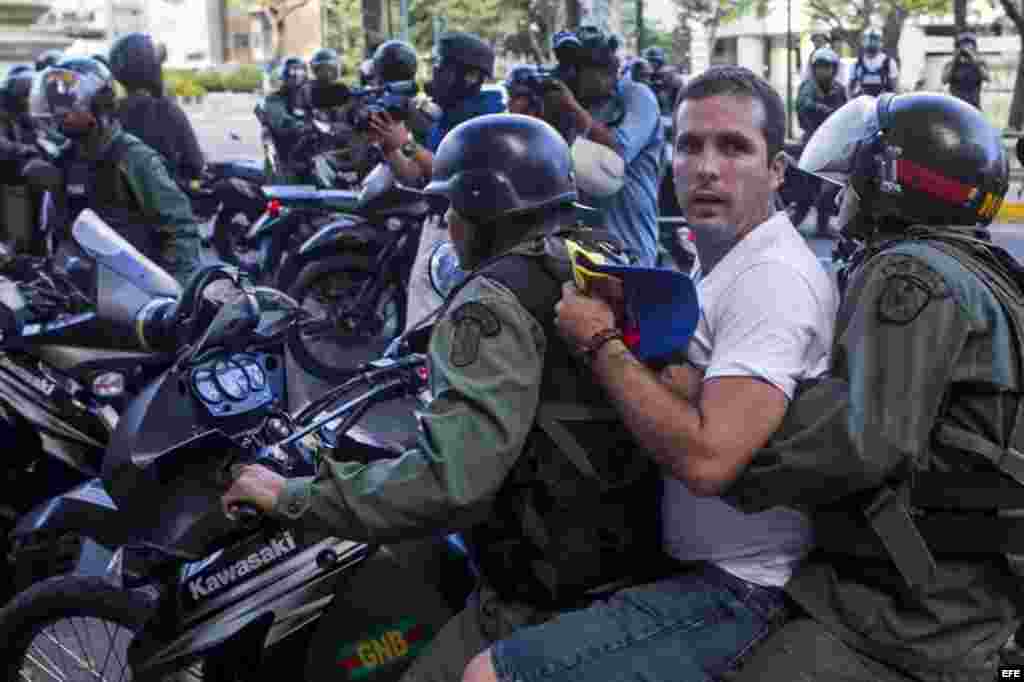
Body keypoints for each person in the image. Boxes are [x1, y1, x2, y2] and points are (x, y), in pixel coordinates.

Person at [222, 113, 666, 682]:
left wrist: (293, 496)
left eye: (452, 209)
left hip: (540, 601)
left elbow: (449, 482)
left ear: (484, 212)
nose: (449, 222)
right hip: (622, 557)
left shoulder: (491, 301)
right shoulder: (598, 257)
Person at [461, 65, 838, 682]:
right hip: (688, 564)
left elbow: (709, 462)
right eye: (690, 146)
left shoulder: (771, 280)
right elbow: (696, 394)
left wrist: (600, 341)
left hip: (739, 592)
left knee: (488, 675)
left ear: (777, 171)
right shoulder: (721, 263)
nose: (708, 167)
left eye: (735, 146)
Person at [720, 91, 1021, 682]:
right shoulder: (981, 272)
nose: (841, 192)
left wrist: (729, 458)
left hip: (905, 621)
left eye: (853, 178)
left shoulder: (910, 272)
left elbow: (864, 439)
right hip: (966, 598)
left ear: (887, 181)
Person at [367, 31, 504, 334]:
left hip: (463, 236)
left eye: (442, 69)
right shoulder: (446, 116)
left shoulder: (485, 116)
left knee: (443, 326)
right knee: (421, 321)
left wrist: (408, 145)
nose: (435, 76)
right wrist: (390, 147)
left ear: (469, 76)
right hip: (436, 227)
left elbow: (457, 171)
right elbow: (418, 178)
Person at [28, 57, 202, 285]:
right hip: (83, 293)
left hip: (137, 293)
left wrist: (174, 291)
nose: (60, 114)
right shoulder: (64, 161)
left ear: (99, 104)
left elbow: (180, 229)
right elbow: (59, 236)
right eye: (56, 106)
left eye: (69, 106)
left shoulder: (133, 158)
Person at [544, 25, 663, 267]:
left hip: (630, 248)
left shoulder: (636, 96)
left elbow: (618, 152)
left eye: (576, 69)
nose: (570, 76)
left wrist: (572, 109)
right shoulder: (576, 107)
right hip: (582, 250)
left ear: (603, 71)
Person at [107, 32, 206, 186]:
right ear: (151, 68)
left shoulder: (108, 115)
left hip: (120, 205)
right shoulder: (166, 110)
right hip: (166, 204)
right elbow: (195, 166)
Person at [796, 47, 847, 236]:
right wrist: (826, 110)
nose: (823, 71)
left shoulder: (839, 89)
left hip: (833, 142)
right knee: (805, 190)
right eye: (819, 67)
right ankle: (792, 225)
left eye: (827, 67)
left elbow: (847, 111)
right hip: (812, 141)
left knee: (831, 183)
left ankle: (822, 226)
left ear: (834, 69)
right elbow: (803, 104)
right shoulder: (808, 87)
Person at [261, 56, 311, 183]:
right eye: (291, 73)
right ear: (284, 77)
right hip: (288, 158)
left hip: (314, 154)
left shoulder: (311, 97)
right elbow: (282, 124)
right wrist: (304, 126)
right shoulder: (274, 99)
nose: (295, 77)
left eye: (299, 72)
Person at [943, 32, 990, 110]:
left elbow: (987, 77)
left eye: (969, 47)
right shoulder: (951, 64)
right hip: (955, 106)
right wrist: (955, 60)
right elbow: (944, 80)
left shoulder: (979, 63)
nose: (965, 50)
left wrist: (974, 59)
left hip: (973, 106)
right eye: (962, 46)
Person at [849, 28, 899, 97]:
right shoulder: (856, 64)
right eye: (869, 39)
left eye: (875, 39)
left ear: (881, 42)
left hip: (882, 103)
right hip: (863, 104)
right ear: (863, 41)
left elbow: (895, 88)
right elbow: (849, 87)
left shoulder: (890, 62)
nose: (871, 42)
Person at [642, 46, 683, 116]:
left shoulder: (668, 74)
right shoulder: (648, 75)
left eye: (653, 61)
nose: (650, 63)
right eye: (649, 61)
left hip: (667, 113)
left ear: (660, 61)